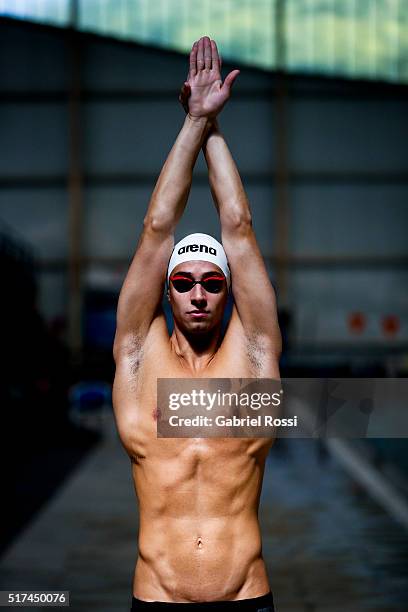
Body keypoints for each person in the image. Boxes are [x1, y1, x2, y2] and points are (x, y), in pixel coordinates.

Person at [113, 36, 281, 611]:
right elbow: (157, 230)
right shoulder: (138, 357)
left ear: (230, 290)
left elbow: (239, 226)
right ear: (165, 290)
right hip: (156, 599)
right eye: (183, 283)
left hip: (246, 598)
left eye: (213, 283)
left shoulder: (255, 355)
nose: (199, 295)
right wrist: (192, 123)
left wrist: (213, 129)